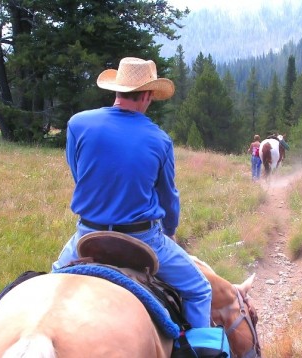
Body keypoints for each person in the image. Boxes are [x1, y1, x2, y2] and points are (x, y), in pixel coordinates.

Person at [52, 57, 212, 328]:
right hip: (142, 238)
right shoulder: (159, 139)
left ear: (117, 89)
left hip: (89, 233)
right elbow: (168, 195)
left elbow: (78, 174)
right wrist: (170, 229)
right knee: (200, 290)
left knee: (50, 283)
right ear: (148, 95)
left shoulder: (78, 124)